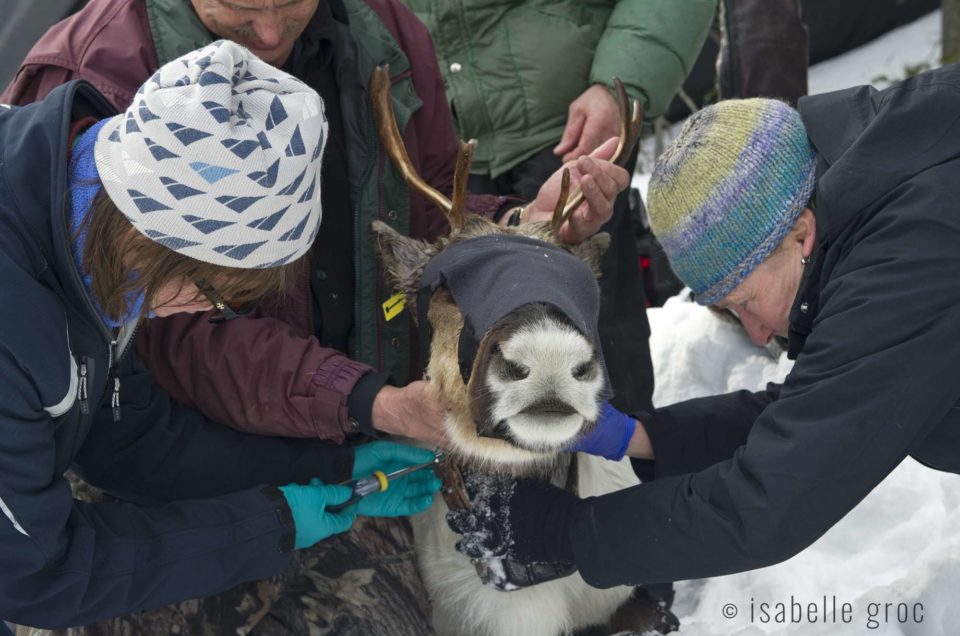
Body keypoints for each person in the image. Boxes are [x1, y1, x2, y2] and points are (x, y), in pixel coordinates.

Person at [0, 0, 628, 447]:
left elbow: (429, 205)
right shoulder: (96, 69)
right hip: (183, 450)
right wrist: (361, 401)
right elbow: (164, 330)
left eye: (295, 0)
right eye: (237, 4)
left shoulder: (381, 31)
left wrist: (525, 226)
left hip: (362, 420)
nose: (271, 31)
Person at [446, 64, 960, 592]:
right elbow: (831, 401)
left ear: (801, 234)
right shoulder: (894, 183)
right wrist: (635, 436)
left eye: (745, 303)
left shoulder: (910, 252)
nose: (758, 335)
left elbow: (770, 502)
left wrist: (564, 531)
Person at [0, 40, 441, 630]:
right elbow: (34, 574)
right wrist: (272, 526)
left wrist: (326, 467)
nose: (196, 314)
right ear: (154, 238)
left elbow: (133, 439)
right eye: (210, 293)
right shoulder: (15, 324)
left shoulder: (95, 235)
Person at [399, 0, 716, 415]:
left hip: (572, 132)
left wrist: (621, 82)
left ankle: (630, 467)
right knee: (484, 358)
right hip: (442, 159)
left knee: (599, 345)